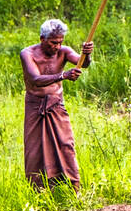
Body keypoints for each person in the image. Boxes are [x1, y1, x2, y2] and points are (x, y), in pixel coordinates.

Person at [20, 19, 92, 191]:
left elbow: (83, 63)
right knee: (34, 150)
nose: (57, 47)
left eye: (60, 42)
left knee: (66, 144)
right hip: (34, 106)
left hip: (56, 104)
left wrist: (87, 54)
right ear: (42, 39)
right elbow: (35, 80)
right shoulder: (27, 54)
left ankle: (73, 187)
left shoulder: (64, 51)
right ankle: (38, 191)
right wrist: (63, 76)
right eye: (53, 43)